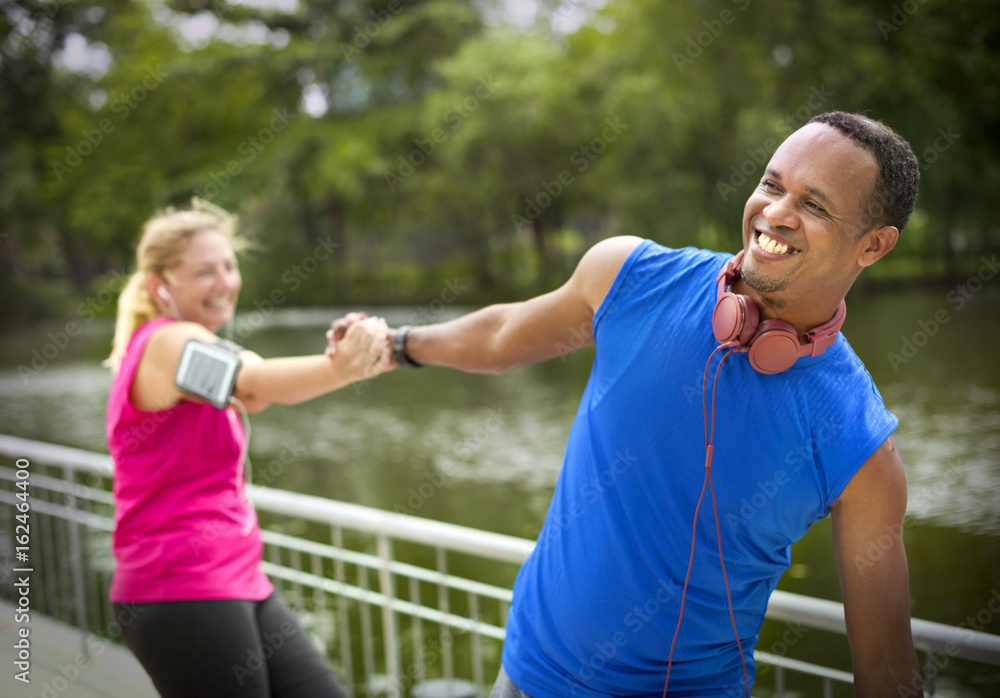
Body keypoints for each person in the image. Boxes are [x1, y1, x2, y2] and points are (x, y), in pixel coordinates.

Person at [336, 112, 924, 696]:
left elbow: (886, 674)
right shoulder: (629, 276)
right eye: (771, 185)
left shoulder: (863, 445)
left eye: (814, 205)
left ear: (873, 245)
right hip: (522, 675)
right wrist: (395, 345)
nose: (774, 212)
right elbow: (499, 336)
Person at [105, 199, 390, 697]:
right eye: (203, 272)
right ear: (159, 285)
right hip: (179, 585)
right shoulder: (167, 344)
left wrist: (341, 361)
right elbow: (254, 386)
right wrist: (343, 366)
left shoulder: (198, 347)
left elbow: (255, 385)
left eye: (229, 266)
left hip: (238, 578)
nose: (225, 282)